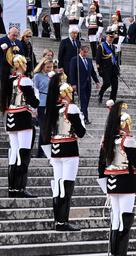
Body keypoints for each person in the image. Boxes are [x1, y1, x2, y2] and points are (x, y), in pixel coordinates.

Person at [98, 100, 136, 256]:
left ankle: (113, 254)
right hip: (126, 182)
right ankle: (121, 255)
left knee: (116, 218)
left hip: (112, 181)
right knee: (125, 218)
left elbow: (101, 166)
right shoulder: (128, 141)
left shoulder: (108, 140)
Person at [42, 72, 85, 231]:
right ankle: (63, 221)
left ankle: (58, 220)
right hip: (69, 149)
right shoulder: (71, 108)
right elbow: (80, 132)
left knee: (58, 185)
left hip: (56, 148)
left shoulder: (52, 107)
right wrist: (77, 116)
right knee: (66, 186)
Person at [0, 54, 39, 198]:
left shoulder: (10, 80)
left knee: (14, 153)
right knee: (23, 153)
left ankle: (12, 188)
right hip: (22, 117)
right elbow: (33, 102)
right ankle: (20, 188)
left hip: (10, 117)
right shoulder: (25, 80)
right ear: (22, 65)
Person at [70, 45, 100, 125]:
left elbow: (92, 72)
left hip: (88, 84)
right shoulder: (75, 59)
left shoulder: (89, 60)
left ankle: (82, 116)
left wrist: (97, 81)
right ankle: (85, 118)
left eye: (87, 52)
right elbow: (72, 72)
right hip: (79, 84)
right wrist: (73, 84)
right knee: (83, 101)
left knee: (86, 102)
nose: (85, 54)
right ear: (81, 50)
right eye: (84, 52)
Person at [33, 57, 54, 158]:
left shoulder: (52, 76)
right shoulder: (37, 76)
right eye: (47, 67)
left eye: (51, 67)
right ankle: (45, 151)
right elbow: (34, 90)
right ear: (42, 66)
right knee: (44, 129)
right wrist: (34, 107)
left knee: (46, 128)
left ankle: (41, 153)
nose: (49, 69)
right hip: (40, 104)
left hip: (49, 104)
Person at [97, 29, 120, 104]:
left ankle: (112, 100)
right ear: (106, 37)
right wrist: (99, 69)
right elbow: (98, 59)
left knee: (115, 85)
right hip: (105, 68)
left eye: (112, 37)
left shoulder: (113, 47)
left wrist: (118, 69)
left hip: (113, 69)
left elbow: (116, 59)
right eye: (110, 37)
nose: (111, 39)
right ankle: (101, 94)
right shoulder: (102, 46)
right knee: (107, 83)